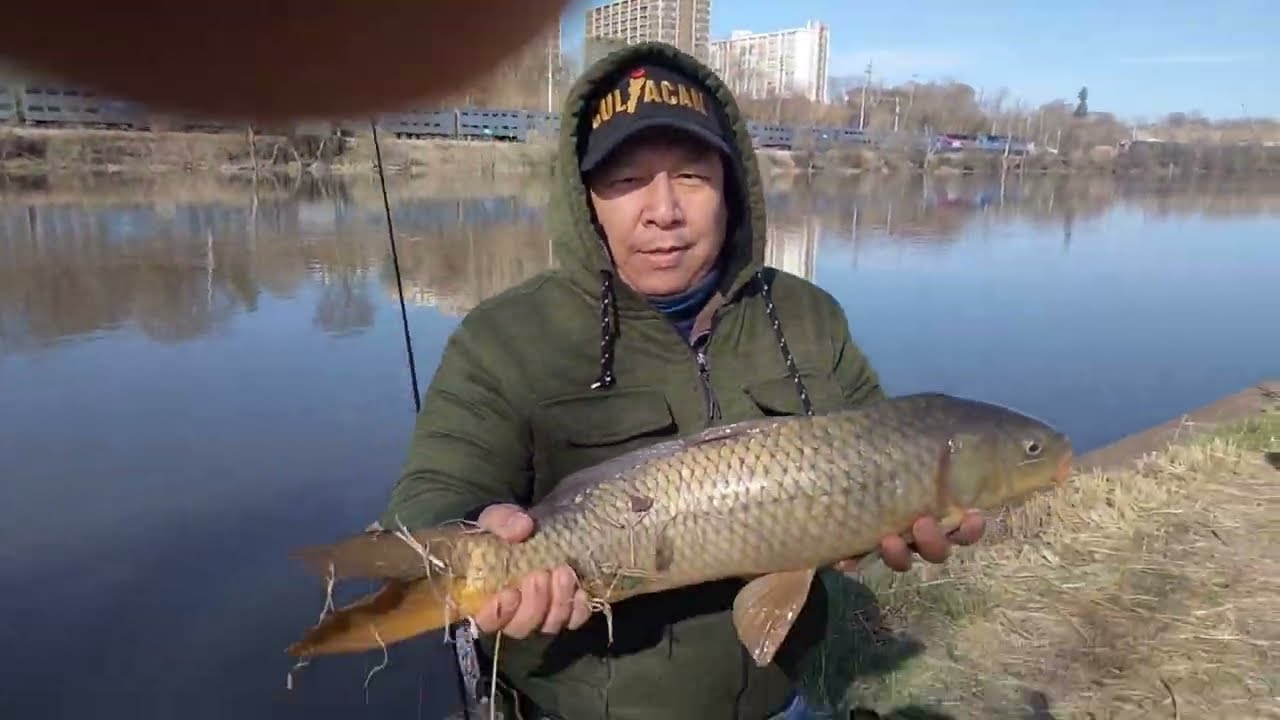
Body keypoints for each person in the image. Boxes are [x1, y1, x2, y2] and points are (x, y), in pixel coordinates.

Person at [379, 42, 985, 720]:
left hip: (780, 697)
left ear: (731, 186)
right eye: (628, 180)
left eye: (692, 176)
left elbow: (882, 445)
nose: (662, 210)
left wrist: (901, 516)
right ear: (588, 202)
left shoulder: (807, 316)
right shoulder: (506, 337)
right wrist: (474, 531)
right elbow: (427, 498)